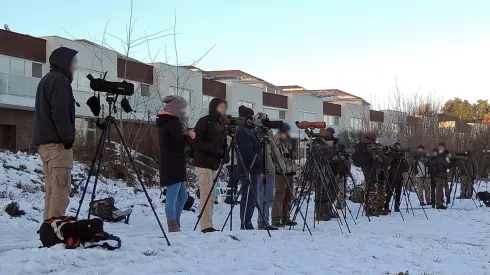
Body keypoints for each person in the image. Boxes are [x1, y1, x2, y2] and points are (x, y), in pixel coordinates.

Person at [33, 47, 78, 220]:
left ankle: (49, 229)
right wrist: (67, 138)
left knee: (52, 191)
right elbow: (60, 113)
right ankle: (55, 230)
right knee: (60, 191)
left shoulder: (46, 80)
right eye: (72, 63)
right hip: (57, 146)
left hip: (45, 146)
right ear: (64, 63)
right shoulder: (60, 81)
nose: (75, 67)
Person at [157, 95, 194, 232]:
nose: (185, 111)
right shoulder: (174, 123)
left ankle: (176, 222)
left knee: (182, 196)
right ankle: (172, 225)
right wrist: (189, 136)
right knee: (172, 196)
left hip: (171, 163)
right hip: (173, 164)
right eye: (183, 108)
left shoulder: (165, 122)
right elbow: (179, 144)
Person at [193, 98, 229, 233]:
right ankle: (206, 225)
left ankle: (208, 222)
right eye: (220, 107)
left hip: (214, 164)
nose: (223, 110)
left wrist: (225, 154)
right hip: (203, 162)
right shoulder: (204, 121)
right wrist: (214, 149)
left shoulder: (222, 124)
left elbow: (224, 143)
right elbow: (196, 141)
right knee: (206, 192)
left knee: (212, 194)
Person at [236, 105, 261, 230]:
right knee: (248, 195)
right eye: (250, 117)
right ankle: (246, 222)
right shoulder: (242, 131)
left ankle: (247, 221)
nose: (252, 120)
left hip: (253, 168)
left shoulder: (248, 130)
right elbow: (247, 152)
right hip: (248, 168)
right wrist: (258, 160)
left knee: (252, 195)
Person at [254, 113, 278, 230]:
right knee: (261, 197)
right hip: (261, 169)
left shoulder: (269, 135)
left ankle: (266, 222)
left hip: (270, 169)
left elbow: (275, 151)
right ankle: (261, 222)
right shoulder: (256, 133)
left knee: (268, 197)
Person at [271, 123, 298, 227]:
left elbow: (294, 156)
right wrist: (288, 155)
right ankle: (276, 219)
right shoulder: (276, 141)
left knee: (288, 196)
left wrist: (294, 151)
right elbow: (277, 156)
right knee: (279, 194)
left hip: (290, 170)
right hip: (281, 171)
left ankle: (285, 217)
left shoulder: (289, 141)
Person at [315, 133, 339, 221]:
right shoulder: (321, 148)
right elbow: (321, 159)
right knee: (321, 192)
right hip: (321, 172)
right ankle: (319, 213)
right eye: (330, 141)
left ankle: (327, 210)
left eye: (332, 141)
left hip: (330, 172)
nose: (331, 143)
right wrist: (332, 158)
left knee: (331, 191)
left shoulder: (332, 148)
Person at [385, 142, 409, 212]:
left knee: (399, 191)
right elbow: (388, 162)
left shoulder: (401, 156)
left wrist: (402, 157)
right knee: (390, 191)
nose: (398, 149)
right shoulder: (391, 154)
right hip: (392, 175)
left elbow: (406, 168)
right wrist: (393, 153)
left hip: (399, 175)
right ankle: (386, 205)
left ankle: (397, 206)